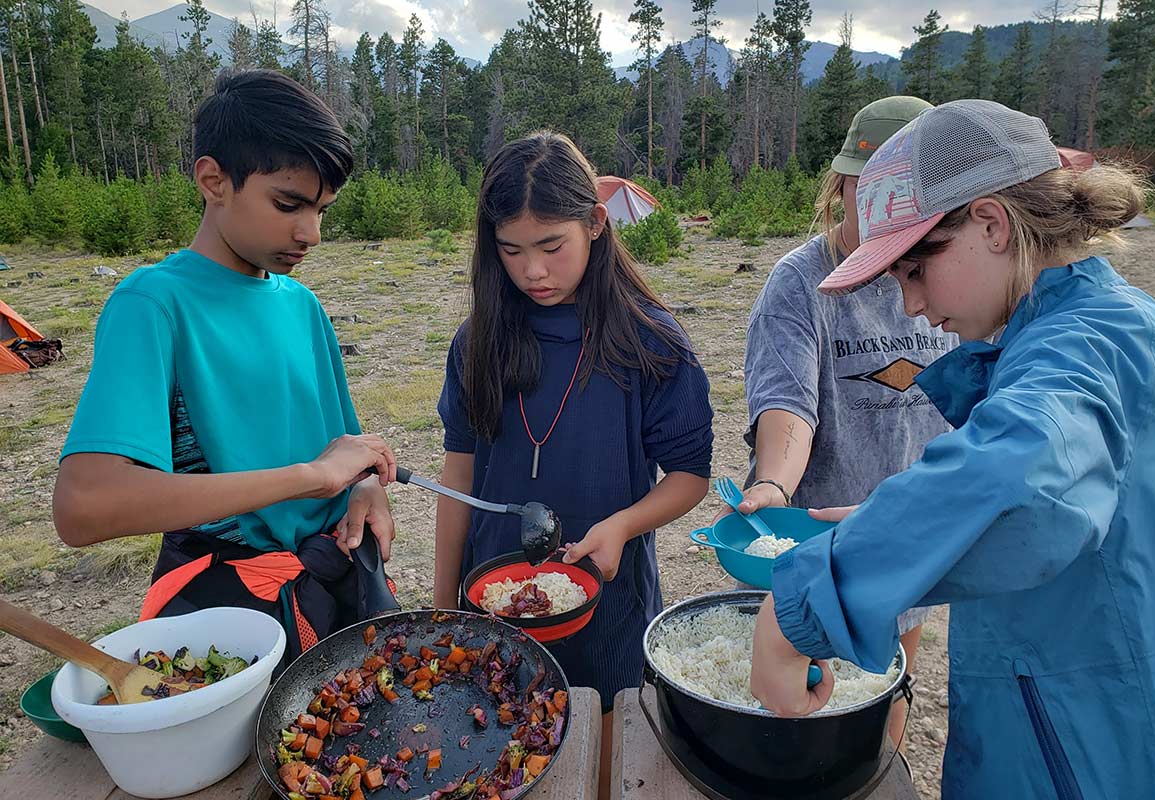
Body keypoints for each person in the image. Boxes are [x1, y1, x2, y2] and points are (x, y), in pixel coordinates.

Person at [749, 99, 1155, 799]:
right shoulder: (1087, 326)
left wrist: (796, 610)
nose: (909, 307)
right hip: (1059, 715)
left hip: (1101, 749)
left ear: (990, 223)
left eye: (914, 273)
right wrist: (884, 526)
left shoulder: (1087, 347)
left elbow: (1023, 470)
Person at [53, 69, 398, 663]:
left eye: (322, 210)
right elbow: (84, 506)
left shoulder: (302, 306)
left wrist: (366, 485)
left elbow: (343, 449)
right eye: (288, 203)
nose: (310, 232)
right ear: (213, 180)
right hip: (227, 615)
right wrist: (308, 477)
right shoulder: (154, 305)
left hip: (336, 588)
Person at [434, 131, 713, 799]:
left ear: (595, 223)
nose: (532, 272)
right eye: (511, 251)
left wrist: (624, 525)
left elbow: (689, 477)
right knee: (496, 747)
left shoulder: (649, 342)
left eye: (551, 246)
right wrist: (446, 605)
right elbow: (458, 479)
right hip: (493, 595)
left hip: (607, 600)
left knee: (601, 751)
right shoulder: (479, 343)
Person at [734, 95, 954, 751]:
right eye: (868, 194)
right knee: (807, 710)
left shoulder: (956, 276)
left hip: (915, 534)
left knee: (886, 692)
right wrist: (774, 485)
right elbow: (787, 403)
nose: (885, 216)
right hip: (823, 547)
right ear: (841, 186)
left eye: (907, 199)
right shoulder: (800, 284)